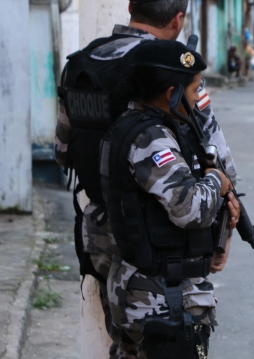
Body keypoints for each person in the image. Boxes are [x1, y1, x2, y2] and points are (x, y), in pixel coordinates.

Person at [54, 1, 238, 357]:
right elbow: (216, 155)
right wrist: (222, 233)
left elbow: (63, 151)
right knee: (171, 340)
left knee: (125, 340)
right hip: (164, 238)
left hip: (102, 235)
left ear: (130, 6)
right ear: (178, 19)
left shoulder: (82, 64)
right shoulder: (169, 67)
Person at [101, 40, 239, 359]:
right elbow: (188, 208)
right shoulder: (152, 139)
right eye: (193, 92)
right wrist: (216, 181)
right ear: (171, 94)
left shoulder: (130, 125)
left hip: (144, 286)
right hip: (160, 297)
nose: (196, 100)